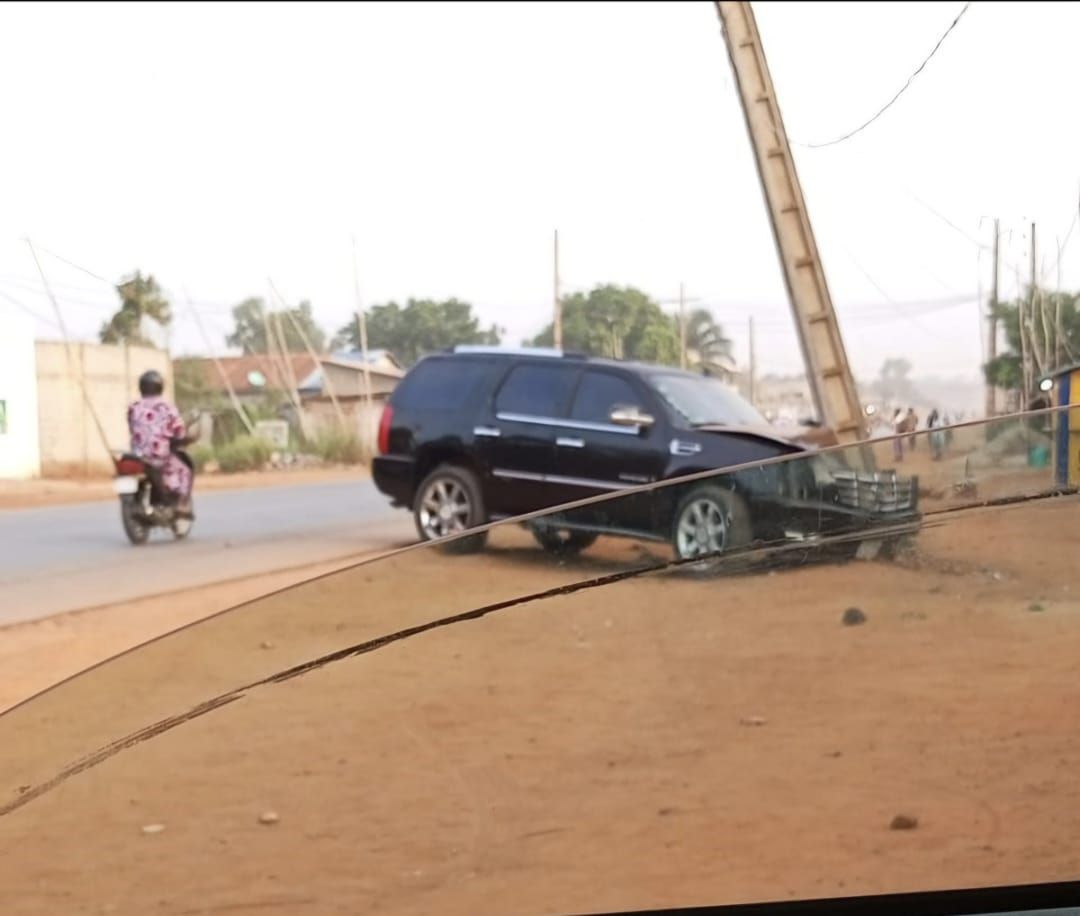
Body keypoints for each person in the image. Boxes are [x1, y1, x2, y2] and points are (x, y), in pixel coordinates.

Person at [127, 370, 194, 517]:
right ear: (160, 387)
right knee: (184, 471)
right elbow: (179, 431)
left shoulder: (133, 407)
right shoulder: (167, 407)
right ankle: (180, 505)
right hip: (158, 454)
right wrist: (182, 437)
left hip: (137, 454)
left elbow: (132, 428)